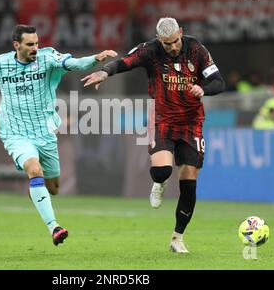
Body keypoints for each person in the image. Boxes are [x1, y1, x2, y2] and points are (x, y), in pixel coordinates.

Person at [82, 17, 225, 253]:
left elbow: (218, 82)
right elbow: (124, 62)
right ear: (159, 39)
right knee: (162, 171)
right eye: (167, 44)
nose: (172, 47)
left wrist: (204, 89)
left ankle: (177, 238)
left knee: (189, 183)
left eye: (175, 42)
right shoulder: (150, 50)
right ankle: (159, 183)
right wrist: (105, 73)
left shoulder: (197, 48)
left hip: (192, 123)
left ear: (181, 32)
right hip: (162, 119)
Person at [0, 24, 117, 246]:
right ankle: (54, 227)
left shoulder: (48, 57)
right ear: (17, 45)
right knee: (34, 170)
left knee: (53, 188)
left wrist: (96, 58)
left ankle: (37, 190)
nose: (35, 48)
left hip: (44, 131)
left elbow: (73, 64)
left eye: (37, 43)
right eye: (30, 44)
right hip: (14, 132)